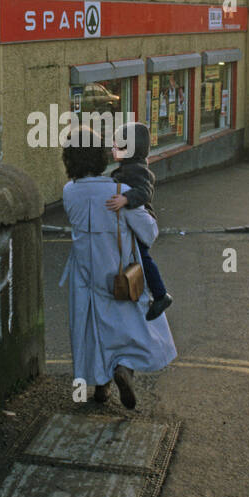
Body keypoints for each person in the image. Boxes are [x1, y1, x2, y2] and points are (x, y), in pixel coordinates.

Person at [61, 128, 176, 409]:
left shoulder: (69, 192)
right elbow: (148, 233)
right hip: (120, 274)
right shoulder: (119, 192)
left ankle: (101, 388)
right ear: (100, 156)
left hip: (84, 275)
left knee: (92, 330)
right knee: (128, 330)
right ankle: (124, 369)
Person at [104, 122, 173, 321]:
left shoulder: (136, 170)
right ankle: (151, 293)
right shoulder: (130, 167)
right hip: (136, 221)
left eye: (117, 146)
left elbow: (144, 192)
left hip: (145, 220)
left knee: (142, 257)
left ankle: (160, 295)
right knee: (139, 257)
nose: (112, 149)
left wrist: (126, 198)